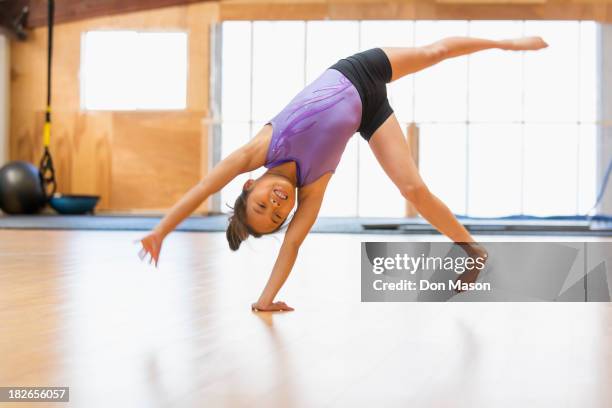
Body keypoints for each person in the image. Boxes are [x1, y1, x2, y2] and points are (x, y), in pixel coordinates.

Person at [137, 35, 548, 312]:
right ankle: (474, 251)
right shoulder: (312, 191)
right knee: (413, 189)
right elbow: (291, 248)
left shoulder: (259, 149)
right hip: (368, 115)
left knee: (435, 52)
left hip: (358, 72)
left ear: (251, 183)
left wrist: (162, 230)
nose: (278, 206)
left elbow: (202, 187)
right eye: (278, 216)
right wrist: (265, 300)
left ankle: (504, 43)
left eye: (264, 203)